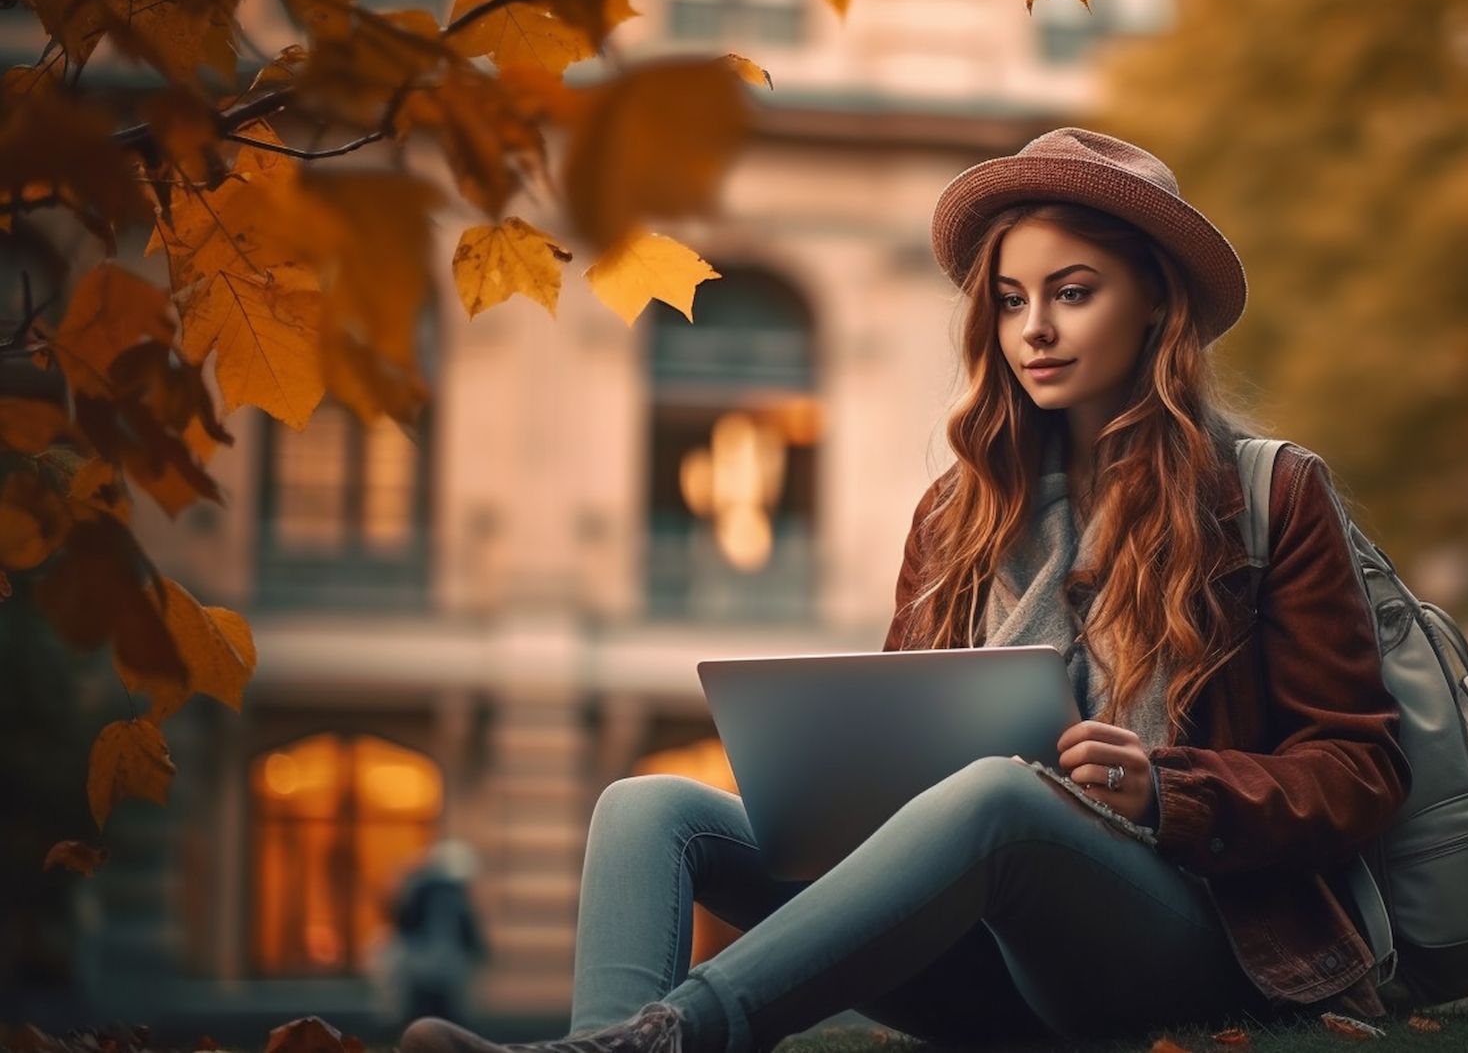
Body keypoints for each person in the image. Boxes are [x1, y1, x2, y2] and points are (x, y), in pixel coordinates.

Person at [400, 127, 1413, 1053]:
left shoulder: (1268, 490)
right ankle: (607, 1042)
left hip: (1187, 944)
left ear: (1155, 299)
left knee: (1001, 791)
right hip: (974, 955)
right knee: (647, 803)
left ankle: (669, 1038)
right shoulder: (954, 512)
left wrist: (1169, 789)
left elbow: (1360, 768)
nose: (1035, 331)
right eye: (1011, 301)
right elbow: (901, 754)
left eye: (1073, 291)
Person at [390, 839, 490, 1029]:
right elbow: (466, 929)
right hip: (445, 971)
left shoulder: (419, 889)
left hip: (420, 969)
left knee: (420, 1021)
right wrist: (479, 951)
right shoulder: (450, 895)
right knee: (447, 1022)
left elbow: (403, 922)